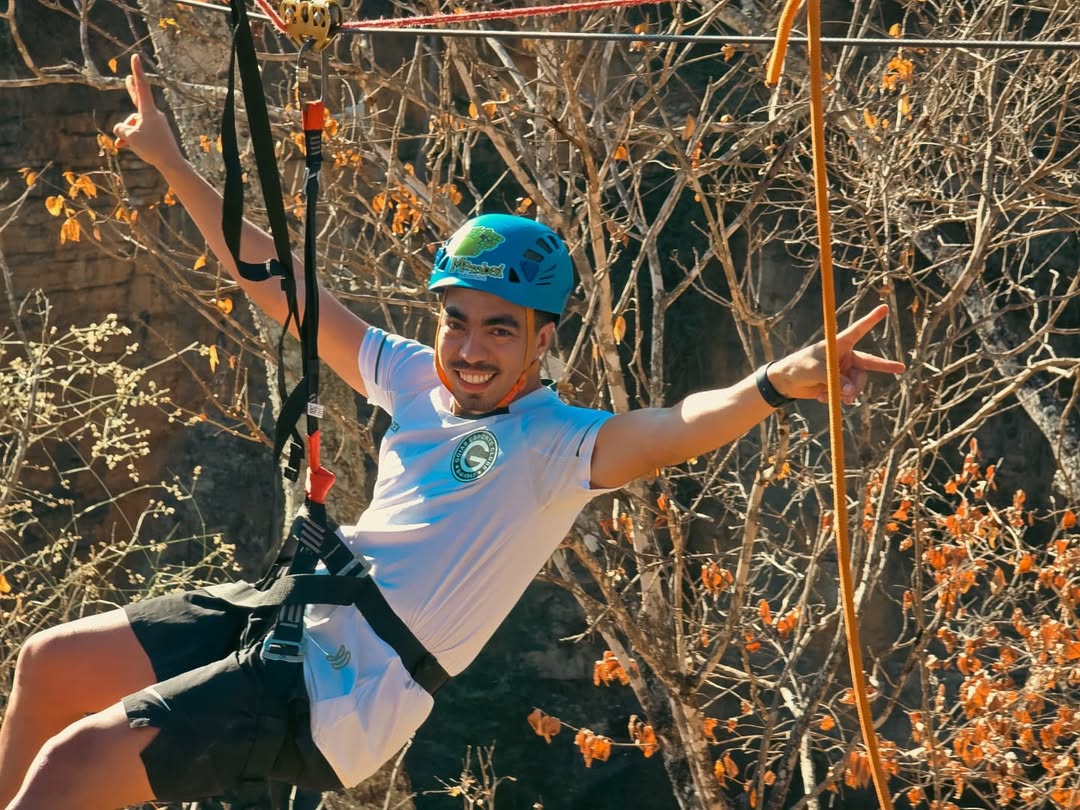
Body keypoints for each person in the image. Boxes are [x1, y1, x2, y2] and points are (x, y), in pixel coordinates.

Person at [0, 54, 906, 809]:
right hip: (296, 613)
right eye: (456, 322)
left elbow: (673, 427)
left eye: (500, 329)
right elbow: (277, 284)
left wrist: (773, 386)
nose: (469, 350)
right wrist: (170, 161)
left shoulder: (553, 448)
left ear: (542, 341)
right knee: (47, 666)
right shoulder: (409, 376)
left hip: (340, 693)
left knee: (74, 767)